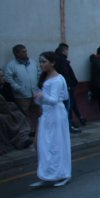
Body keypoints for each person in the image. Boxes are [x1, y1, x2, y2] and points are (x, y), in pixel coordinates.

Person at [30, 51, 71, 188]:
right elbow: (46, 100)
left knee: (57, 145)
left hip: (56, 114)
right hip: (46, 115)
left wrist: (42, 97)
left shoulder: (58, 79)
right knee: (44, 145)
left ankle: (63, 174)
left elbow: (57, 99)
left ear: (52, 63)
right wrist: (39, 99)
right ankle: (47, 175)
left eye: (44, 61)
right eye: (40, 61)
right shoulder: (45, 77)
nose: (41, 64)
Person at [4, 44, 40, 130]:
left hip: (35, 93)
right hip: (22, 95)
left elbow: (39, 73)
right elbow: (8, 79)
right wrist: (18, 88)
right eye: (23, 52)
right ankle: (28, 131)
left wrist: (38, 85)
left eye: (26, 51)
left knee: (37, 112)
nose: (26, 53)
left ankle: (38, 129)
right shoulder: (11, 65)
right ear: (17, 54)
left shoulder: (32, 62)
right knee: (24, 114)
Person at [54, 43, 85, 133]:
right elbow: (65, 74)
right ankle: (69, 125)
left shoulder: (59, 59)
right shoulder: (62, 60)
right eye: (67, 50)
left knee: (70, 105)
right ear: (64, 51)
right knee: (67, 107)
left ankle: (71, 122)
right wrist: (68, 85)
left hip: (66, 86)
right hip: (66, 87)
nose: (68, 52)